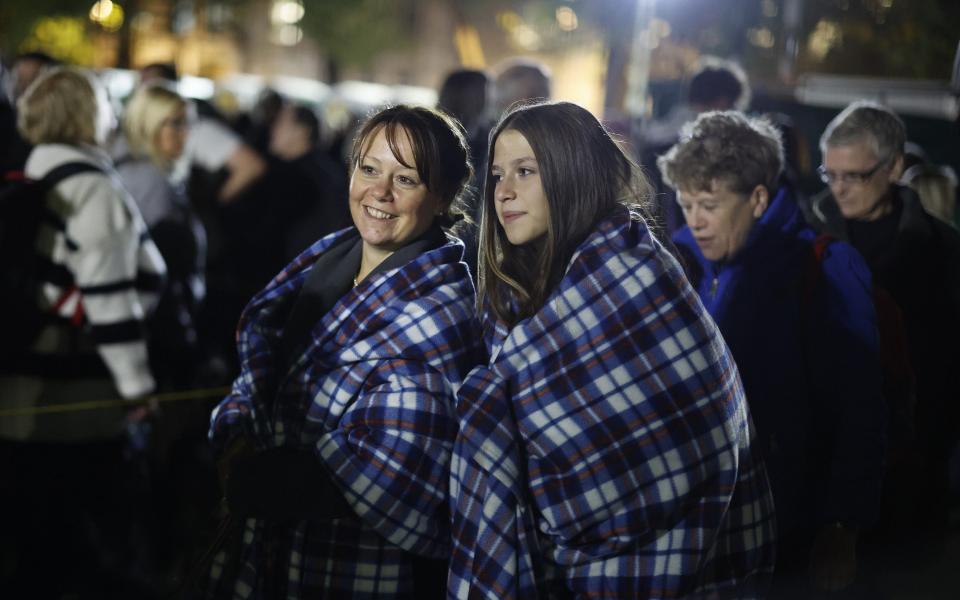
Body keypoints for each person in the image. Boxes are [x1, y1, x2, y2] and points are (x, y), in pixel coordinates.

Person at [449, 101, 776, 598]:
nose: (504, 192)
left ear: (570, 172)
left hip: (666, 573)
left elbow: (686, 448)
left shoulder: (637, 278)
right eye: (496, 175)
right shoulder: (512, 295)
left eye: (525, 171)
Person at [206, 105, 483, 598]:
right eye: (370, 169)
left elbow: (392, 473)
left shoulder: (438, 314)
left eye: (407, 179)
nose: (380, 192)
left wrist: (249, 477)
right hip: (273, 551)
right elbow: (262, 370)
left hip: (353, 569)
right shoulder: (330, 260)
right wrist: (235, 431)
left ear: (441, 197)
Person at [659, 111, 886, 596]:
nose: (694, 221)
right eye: (686, 203)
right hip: (698, 528)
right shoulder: (679, 266)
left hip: (789, 529)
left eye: (710, 205)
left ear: (758, 199)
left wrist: (841, 525)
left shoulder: (822, 269)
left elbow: (861, 404)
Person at [0, 67, 166, 598]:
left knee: (33, 548)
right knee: (80, 553)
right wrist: (138, 390)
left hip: (24, 391)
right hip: (77, 399)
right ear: (87, 115)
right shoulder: (91, 188)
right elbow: (110, 299)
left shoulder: (35, 175)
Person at [803, 100, 960, 557]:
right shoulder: (805, 238)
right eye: (830, 174)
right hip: (822, 467)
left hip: (911, 472)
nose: (839, 189)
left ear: (893, 168)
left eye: (855, 176)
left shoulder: (944, 250)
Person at [118, 81, 208, 389]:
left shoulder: (162, 175)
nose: (186, 132)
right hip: (159, 334)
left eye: (188, 123)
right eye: (177, 123)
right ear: (150, 124)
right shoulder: (150, 180)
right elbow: (155, 267)